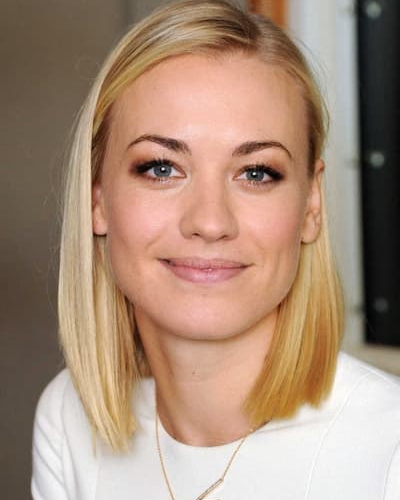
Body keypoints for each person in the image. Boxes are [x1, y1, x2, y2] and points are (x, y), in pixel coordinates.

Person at [31, 1, 400, 499]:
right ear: (97, 199)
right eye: (161, 168)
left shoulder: (389, 450)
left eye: (256, 173)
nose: (209, 222)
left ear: (311, 205)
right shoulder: (67, 422)